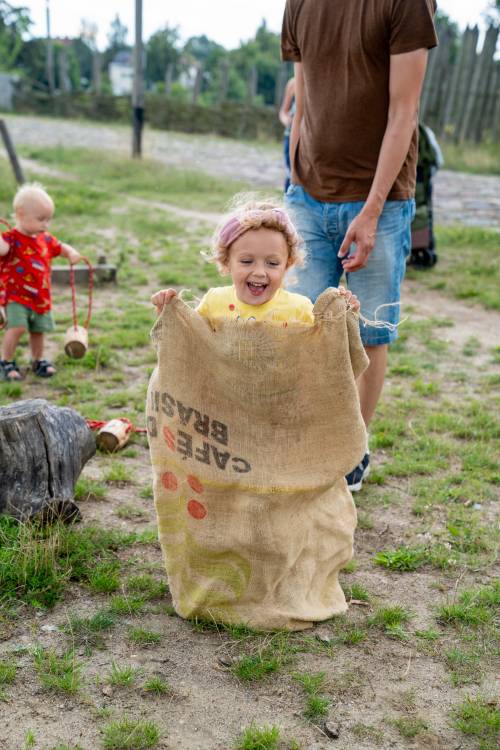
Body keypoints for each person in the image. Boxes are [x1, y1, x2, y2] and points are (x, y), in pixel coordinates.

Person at [281, 0, 438, 491]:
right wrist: (293, 179)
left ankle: (352, 447)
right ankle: (309, 438)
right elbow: (302, 98)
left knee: (371, 330)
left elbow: (404, 111)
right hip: (307, 194)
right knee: (302, 324)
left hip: (382, 203)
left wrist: (370, 212)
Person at [151, 196, 359, 323]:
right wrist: (167, 314)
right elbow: (190, 340)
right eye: (247, 261)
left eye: (272, 263)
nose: (260, 272)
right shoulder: (214, 303)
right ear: (226, 261)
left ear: (287, 265)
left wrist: (345, 317)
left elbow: (325, 350)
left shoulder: (300, 310)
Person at [0, 183, 82, 380]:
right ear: (20, 214)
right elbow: (2, 251)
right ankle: (6, 361)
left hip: (41, 297)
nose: (46, 224)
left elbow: (60, 247)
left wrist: (71, 252)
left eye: (49, 219)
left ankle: (38, 360)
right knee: (17, 327)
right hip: (16, 295)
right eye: (41, 219)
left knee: (39, 331)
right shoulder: (10, 239)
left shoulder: (45, 238)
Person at [278, 77, 296, 193]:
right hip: (290, 135)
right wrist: (287, 121)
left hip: (308, 139)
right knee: (291, 173)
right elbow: (283, 112)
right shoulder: (292, 83)